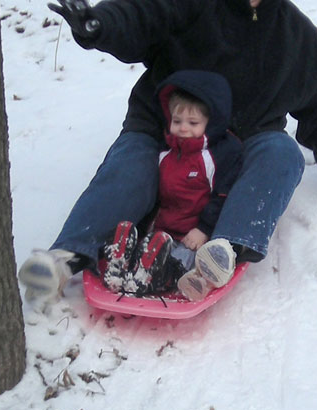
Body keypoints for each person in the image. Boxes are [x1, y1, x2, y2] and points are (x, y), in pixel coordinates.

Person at [18, 0, 317, 307]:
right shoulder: (198, 0)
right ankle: (63, 259)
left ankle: (223, 250)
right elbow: (145, 15)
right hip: (165, 131)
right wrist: (100, 26)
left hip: (236, 147)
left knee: (281, 154)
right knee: (130, 169)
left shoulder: (296, 38)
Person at [101, 70, 243, 300]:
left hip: (191, 235)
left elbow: (223, 196)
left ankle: (151, 275)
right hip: (161, 232)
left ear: (211, 123)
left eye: (193, 122)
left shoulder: (217, 156)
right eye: (177, 121)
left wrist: (204, 229)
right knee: (148, 244)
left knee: (180, 261)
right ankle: (121, 265)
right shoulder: (165, 152)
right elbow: (154, 195)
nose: (183, 128)